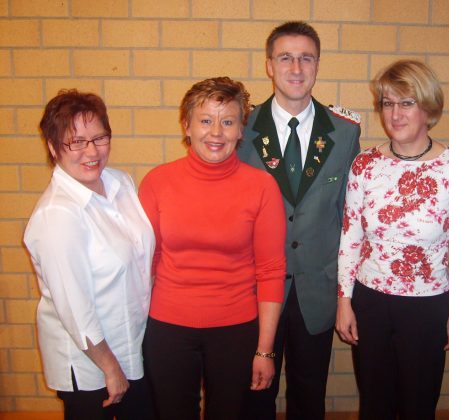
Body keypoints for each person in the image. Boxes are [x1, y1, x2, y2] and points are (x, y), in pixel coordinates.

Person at [138, 77, 286, 420]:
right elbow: (147, 263)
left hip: (235, 328)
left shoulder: (262, 187)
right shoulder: (157, 182)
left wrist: (265, 351)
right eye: (205, 120)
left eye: (228, 121)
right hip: (168, 327)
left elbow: (270, 271)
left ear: (241, 130)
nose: (216, 132)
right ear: (187, 126)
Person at [335, 59, 449, 420]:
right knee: (375, 404)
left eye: (406, 103)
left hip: (426, 306)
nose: (395, 114)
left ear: (428, 106)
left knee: (418, 405)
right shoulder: (365, 165)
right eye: (388, 103)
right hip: (371, 300)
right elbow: (351, 236)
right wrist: (344, 300)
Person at [238, 21, 361, 420]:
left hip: (316, 288)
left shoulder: (344, 132)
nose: (296, 68)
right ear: (269, 65)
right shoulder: (241, 128)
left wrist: (344, 291)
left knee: (309, 395)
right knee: (255, 394)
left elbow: (348, 215)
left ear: (317, 65)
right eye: (285, 58)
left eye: (306, 58)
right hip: (256, 288)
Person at [24, 90, 155, 419]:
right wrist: (110, 368)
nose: (92, 151)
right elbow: (75, 309)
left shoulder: (120, 183)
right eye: (76, 142)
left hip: (133, 345)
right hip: (92, 365)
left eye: (99, 138)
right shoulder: (57, 215)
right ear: (53, 147)